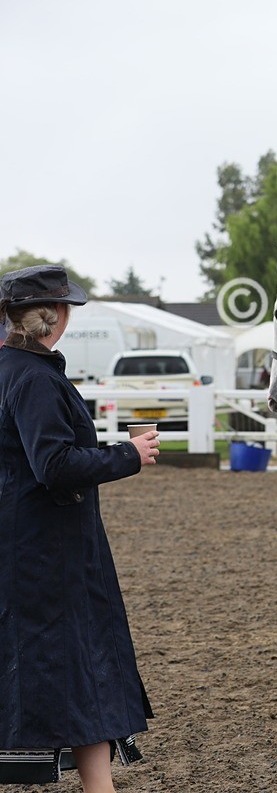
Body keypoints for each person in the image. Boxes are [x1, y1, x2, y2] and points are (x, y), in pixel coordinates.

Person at [0, 266, 159, 790]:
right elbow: (55, 465)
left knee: (85, 675)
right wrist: (127, 455)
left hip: (41, 548)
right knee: (78, 669)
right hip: (49, 558)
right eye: (66, 306)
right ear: (54, 315)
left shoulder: (13, 369)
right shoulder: (35, 378)